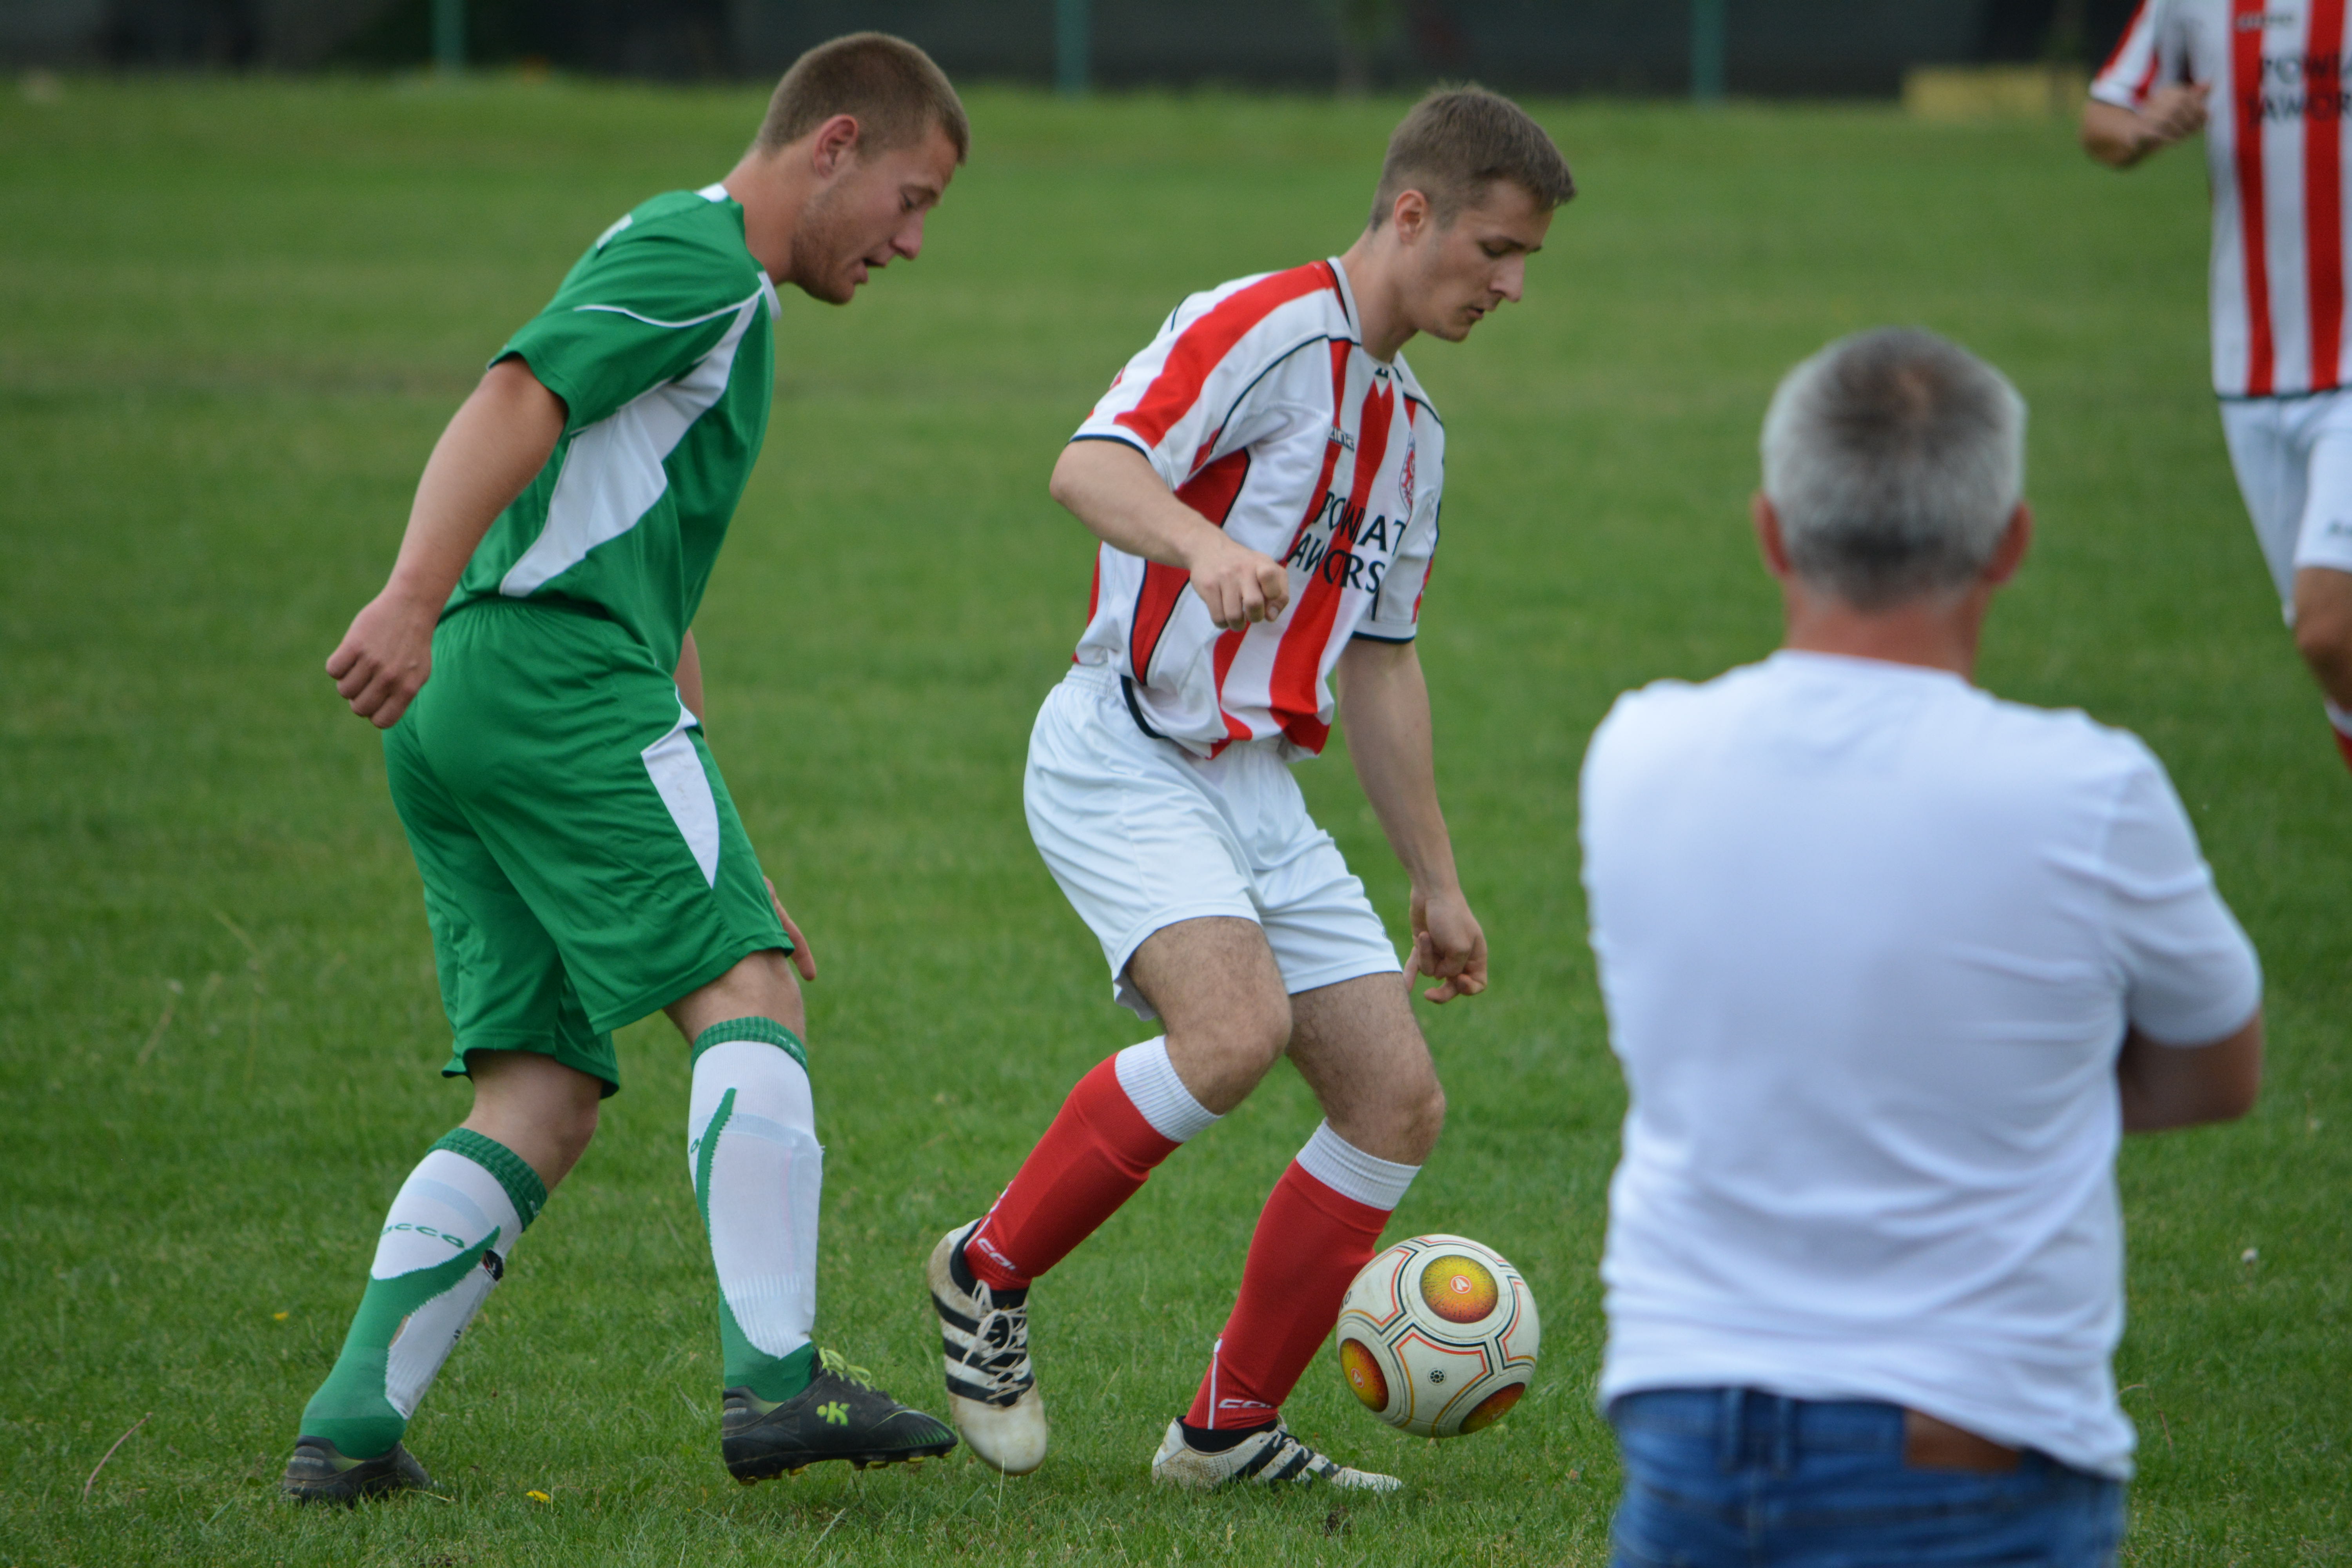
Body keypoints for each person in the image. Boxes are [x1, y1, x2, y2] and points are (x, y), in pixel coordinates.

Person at [283, 34, 968, 1503]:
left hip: (483, 702)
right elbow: (515, 398)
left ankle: (348, 1425)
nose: (911, 242)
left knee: (539, 1090)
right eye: (910, 201)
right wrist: (406, 591)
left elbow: (655, 582)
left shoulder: (700, 273)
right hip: (546, 675)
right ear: (833, 144)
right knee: (753, 991)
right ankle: (778, 1384)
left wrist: (723, 820)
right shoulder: (706, 259)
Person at [922, 86, 1573, 1492]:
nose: (1513, 287)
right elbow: (1088, 466)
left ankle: (1224, 1433)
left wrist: (1440, 884)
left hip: (1258, 785)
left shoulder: (1416, 434)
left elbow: (1385, 667)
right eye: (1497, 252)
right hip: (1124, 750)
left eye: (1528, 262)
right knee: (1231, 1036)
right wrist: (1200, 547)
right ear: (1414, 215)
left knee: (1395, 1101)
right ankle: (985, 1272)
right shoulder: (1263, 323)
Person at [1579, 327, 2265, 1566]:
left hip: (1687, 1421)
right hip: (1971, 1439)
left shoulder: (1637, 755)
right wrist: (2010, 1092)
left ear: (1772, 531)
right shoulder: (2089, 791)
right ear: (2010, 543)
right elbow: (2218, 1073)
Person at [2085, 3, 2352, 775]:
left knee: (2327, 631)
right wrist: (2137, 131)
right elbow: (2102, 117)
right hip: (2252, 371)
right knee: (2334, 648)